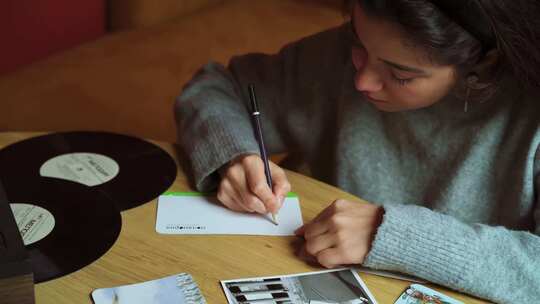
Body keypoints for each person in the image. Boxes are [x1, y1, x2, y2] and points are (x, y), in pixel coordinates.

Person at [174, 0, 540, 302]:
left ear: (484, 63)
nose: (362, 80)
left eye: (401, 75)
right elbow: (216, 88)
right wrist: (235, 154)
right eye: (358, 43)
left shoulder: (528, 117)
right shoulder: (337, 56)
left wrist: (393, 236)